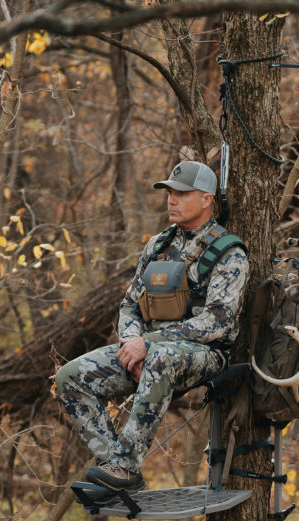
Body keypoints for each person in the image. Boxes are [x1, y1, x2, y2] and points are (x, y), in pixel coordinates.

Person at [55, 161, 249, 493]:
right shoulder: (158, 245)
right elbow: (130, 304)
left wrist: (151, 343)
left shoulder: (229, 252)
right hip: (145, 350)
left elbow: (218, 321)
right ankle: (112, 465)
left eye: (181, 194)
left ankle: (127, 467)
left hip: (203, 355)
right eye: (169, 193)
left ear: (206, 199)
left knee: (160, 358)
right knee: (70, 377)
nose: (171, 200)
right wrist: (132, 341)